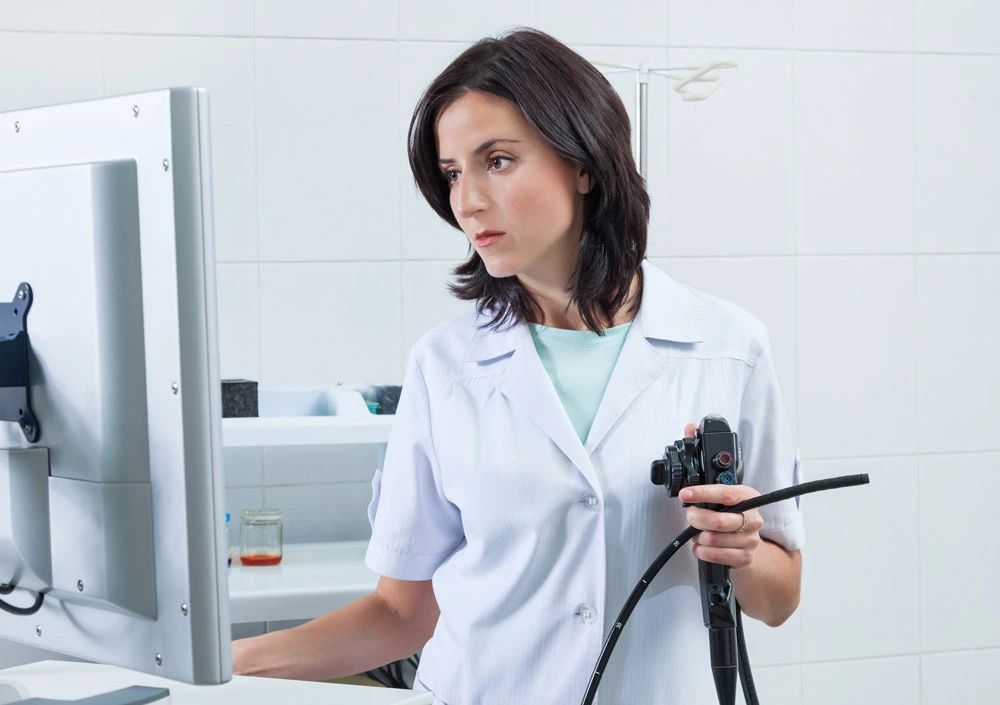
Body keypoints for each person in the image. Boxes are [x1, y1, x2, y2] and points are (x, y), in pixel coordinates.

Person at [232, 27, 804, 705]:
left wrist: (739, 549)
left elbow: (780, 597)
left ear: (584, 163)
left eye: (497, 161)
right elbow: (400, 613)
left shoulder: (728, 347)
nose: (467, 200)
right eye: (452, 173)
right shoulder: (445, 365)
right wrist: (216, 665)